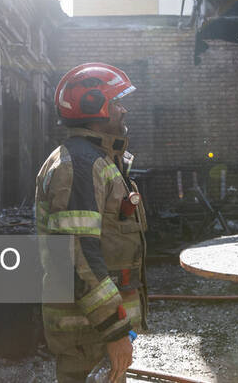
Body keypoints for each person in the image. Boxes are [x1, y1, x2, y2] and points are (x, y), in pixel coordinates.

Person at [35, 63, 148, 383]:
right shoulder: (80, 167)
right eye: (116, 103)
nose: (123, 110)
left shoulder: (95, 162)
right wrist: (114, 332)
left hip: (93, 331)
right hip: (88, 334)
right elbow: (78, 257)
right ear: (94, 107)